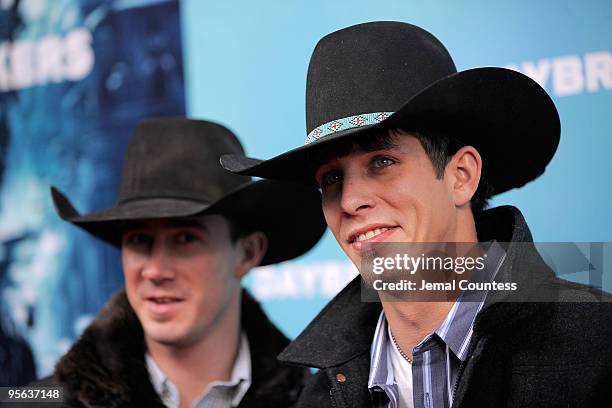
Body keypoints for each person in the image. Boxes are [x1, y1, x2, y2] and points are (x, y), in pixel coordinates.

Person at [221, 22, 612, 407]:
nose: (349, 200)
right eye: (332, 178)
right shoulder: (317, 395)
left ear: (461, 176)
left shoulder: (598, 344)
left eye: (382, 161)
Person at [36, 118, 326, 407]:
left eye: (186, 238)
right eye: (139, 240)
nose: (155, 271)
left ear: (248, 253)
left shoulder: (317, 402)